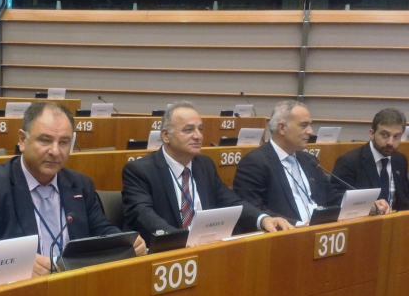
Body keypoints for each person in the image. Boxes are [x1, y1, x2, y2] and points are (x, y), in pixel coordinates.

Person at [0, 102, 146, 276]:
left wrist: (125, 242)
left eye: (64, 142)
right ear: (23, 140)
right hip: (23, 289)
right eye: (45, 140)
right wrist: (18, 262)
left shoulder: (80, 184)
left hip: (74, 282)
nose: (55, 151)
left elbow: (100, 229)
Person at [121, 101, 293, 245]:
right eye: (188, 130)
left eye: (200, 129)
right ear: (165, 136)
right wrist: (180, 240)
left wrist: (263, 219)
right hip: (166, 253)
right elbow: (143, 215)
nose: (198, 136)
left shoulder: (204, 165)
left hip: (207, 248)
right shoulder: (140, 170)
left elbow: (231, 201)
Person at [233, 101, 386, 226]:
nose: (310, 131)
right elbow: (254, 210)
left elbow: (331, 195)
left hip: (320, 233)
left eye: (310, 125)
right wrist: (298, 225)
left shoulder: (308, 160)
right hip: (287, 238)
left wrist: (366, 205)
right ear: (282, 128)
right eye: (303, 125)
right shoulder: (254, 163)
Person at [332, 108, 409, 211]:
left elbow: (403, 199)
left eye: (396, 137)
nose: (390, 142)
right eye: (385, 135)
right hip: (365, 220)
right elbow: (335, 199)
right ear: (372, 134)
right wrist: (368, 207)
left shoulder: (400, 160)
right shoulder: (349, 162)